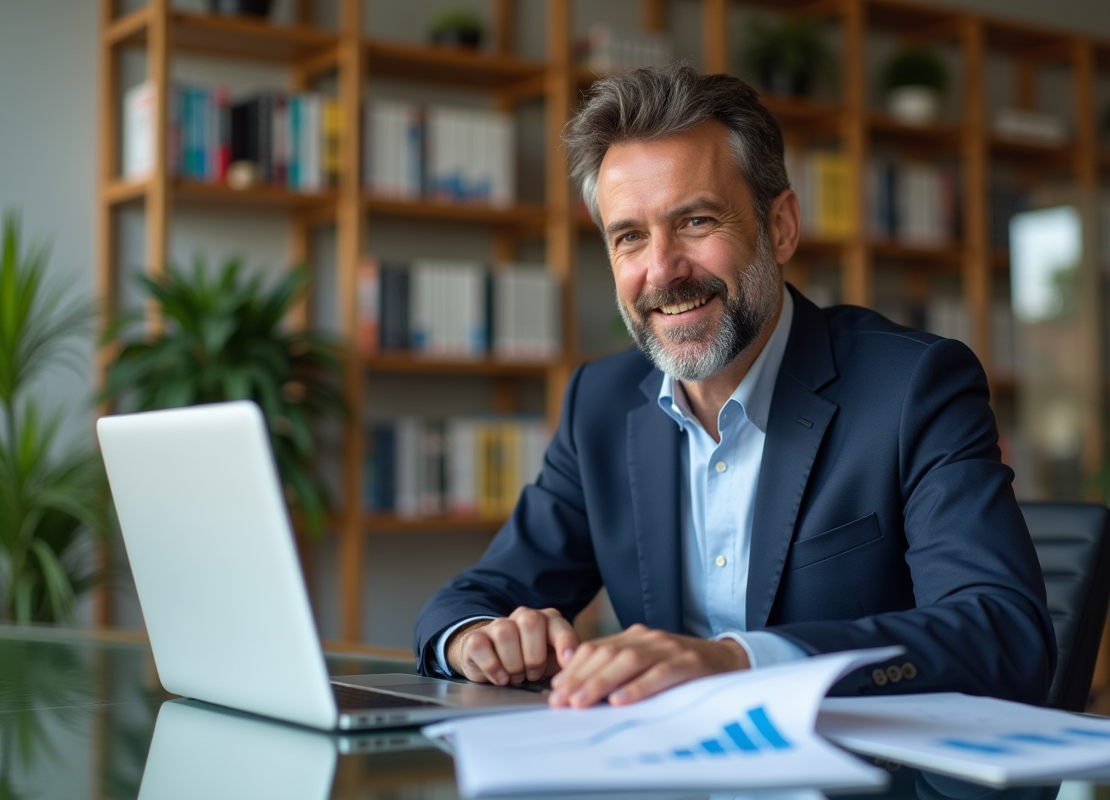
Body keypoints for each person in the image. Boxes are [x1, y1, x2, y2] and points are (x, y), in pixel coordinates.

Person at [414, 64, 1055, 709]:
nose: (662, 271)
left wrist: (740, 662)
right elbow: (472, 598)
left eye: (696, 222)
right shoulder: (599, 404)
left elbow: (1004, 632)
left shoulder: (913, 386)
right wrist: (477, 639)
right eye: (630, 237)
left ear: (779, 227)